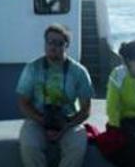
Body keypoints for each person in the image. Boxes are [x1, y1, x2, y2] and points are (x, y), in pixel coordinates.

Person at [16, 24, 93, 167]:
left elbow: (86, 109)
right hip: (38, 119)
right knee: (28, 144)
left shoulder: (79, 72)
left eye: (59, 43)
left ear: (67, 46)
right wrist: (42, 120)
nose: (53, 47)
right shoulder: (32, 68)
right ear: (45, 44)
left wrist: (65, 125)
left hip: (68, 120)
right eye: (50, 42)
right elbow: (23, 102)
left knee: (78, 143)